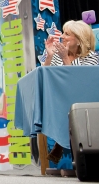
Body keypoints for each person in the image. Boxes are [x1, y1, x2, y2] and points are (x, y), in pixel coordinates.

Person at [42, 20, 98, 162]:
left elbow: (79, 84)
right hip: (59, 98)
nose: (61, 36)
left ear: (79, 40)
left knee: (71, 106)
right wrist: (49, 56)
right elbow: (46, 76)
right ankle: (61, 143)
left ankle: (62, 144)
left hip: (84, 101)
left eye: (67, 34)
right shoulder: (58, 55)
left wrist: (66, 59)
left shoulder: (91, 58)